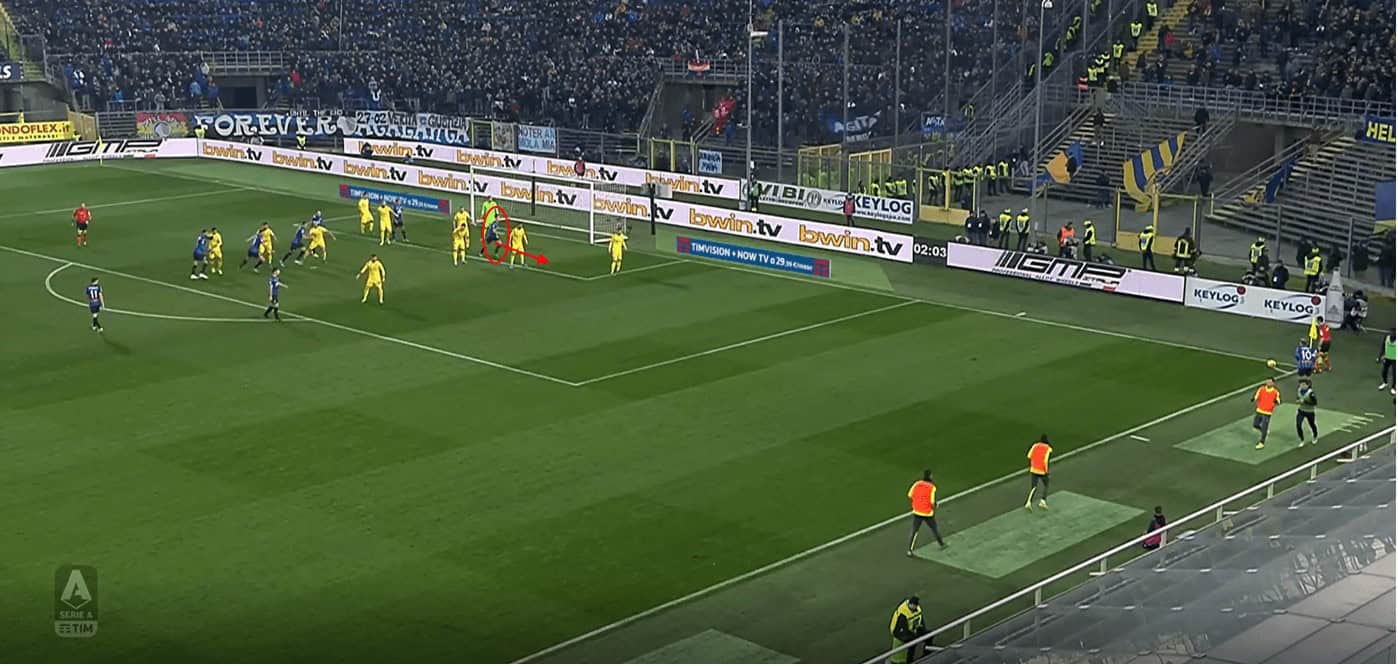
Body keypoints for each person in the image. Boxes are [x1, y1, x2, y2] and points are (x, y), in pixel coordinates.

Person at [906, 469, 945, 555]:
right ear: (930, 476)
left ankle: (910, 550)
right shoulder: (932, 487)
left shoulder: (917, 484)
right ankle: (941, 544)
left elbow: (910, 495)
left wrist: (918, 502)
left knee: (914, 531)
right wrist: (935, 506)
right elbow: (932, 502)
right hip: (927, 513)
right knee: (934, 529)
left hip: (917, 511)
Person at [889, 596, 927, 664]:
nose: (913, 607)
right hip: (899, 633)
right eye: (912, 605)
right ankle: (909, 661)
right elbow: (902, 630)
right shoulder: (903, 612)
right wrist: (914, 634)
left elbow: (921, 621)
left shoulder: (918, 609)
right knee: (912, 641)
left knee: (928, 635)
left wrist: (922, 630)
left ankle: (926, 654)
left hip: (911, 630)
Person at [1251, 378, 1281, 450]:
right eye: (1267, 382)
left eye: (1270, 382)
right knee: (1255, 424)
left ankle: (1262, 443)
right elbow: (1257, 396)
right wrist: (1254, 399)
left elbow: (1278, 401)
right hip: (1259, 410)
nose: (1268, 383)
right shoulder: (1261, 389)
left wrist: (1276, 401)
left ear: (1273, 383)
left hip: (1267, 413)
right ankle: (1264, 431)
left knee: (1264, 426)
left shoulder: (1275, 392)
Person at [1025, 436, 1052, 510]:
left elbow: (1029, 456)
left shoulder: (1035, 445)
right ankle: (1043, 501)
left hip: (1034, 469)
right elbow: (1045, 461)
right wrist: (1046, 471)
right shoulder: (1048, 448)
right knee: (1046, 484)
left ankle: (1028, 502)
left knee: (1034, 486)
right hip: (1042, 471)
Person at [1296, 378, 1318, 447]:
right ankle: (1301, 439)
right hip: (1301, 411)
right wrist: (1298, 401)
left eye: (1303, 384)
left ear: (1307, 385)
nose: (1302, 386)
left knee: (1312, 424)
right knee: (1298, 425)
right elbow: (1298, 398)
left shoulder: (1311, 393)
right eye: (1301, 384)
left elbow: (1315, 403)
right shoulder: (1299, 390)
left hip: (1310, 412)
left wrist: (1305, 402)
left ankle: (1315, 436)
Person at [1378, 330, 1396, 395]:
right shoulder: (1387, 337)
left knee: (1395, 374)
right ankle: (1385, 383)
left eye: (1393, 334)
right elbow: (1383, 347)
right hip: (1387, 358)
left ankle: (1393, 387)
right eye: (1391, 333)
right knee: (1384, 372)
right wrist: (1379, 356)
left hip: (1395, 360)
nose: (1391, 335)